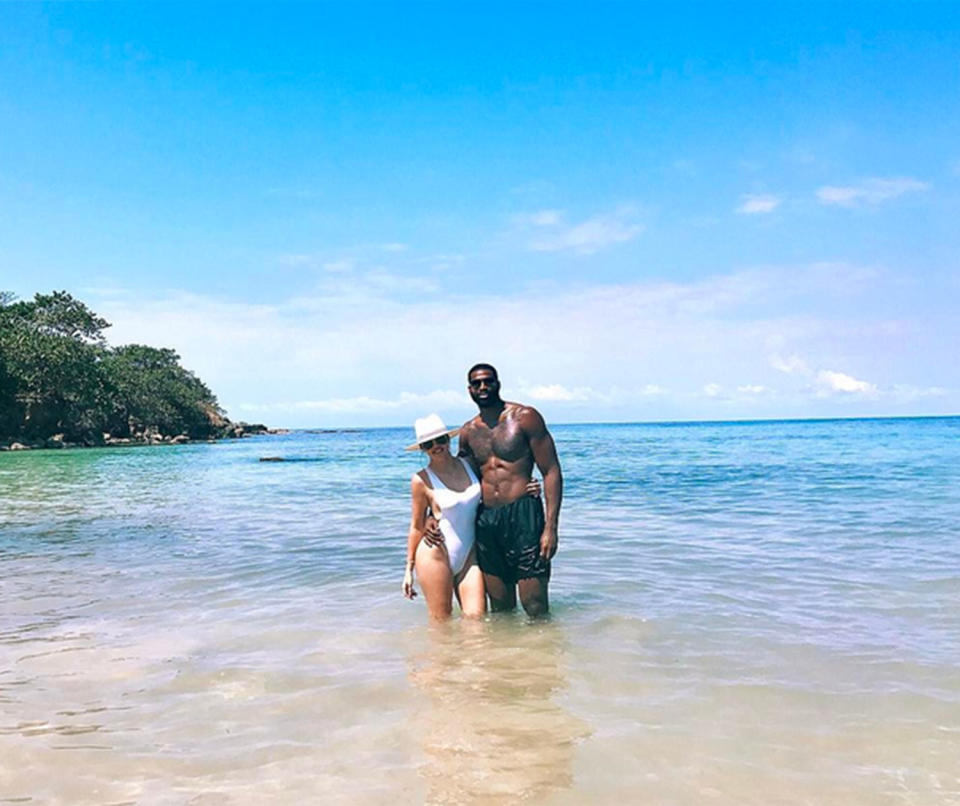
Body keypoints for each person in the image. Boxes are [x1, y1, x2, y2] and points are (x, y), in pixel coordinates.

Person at [403, 413, 541, 620]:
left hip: (469, 555)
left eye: (440, 439)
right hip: (435, 553)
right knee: (441, 622)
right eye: (428, 444)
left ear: (449, 440)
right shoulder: (420, 480)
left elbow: (498, 482)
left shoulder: (469, 464)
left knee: (477, 619)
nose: (436, 446)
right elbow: (416, 525)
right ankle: (437, 655)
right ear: (422, 448)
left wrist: (527, 486)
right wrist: (408, 569)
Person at [456, 363, 563, 617]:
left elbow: (551, 471)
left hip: (524, 516)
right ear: (469, 389)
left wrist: (550, 528)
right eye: (477, 383)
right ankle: (504, 657)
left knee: (535, 605)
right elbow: (458, 480)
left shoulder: (525, 417)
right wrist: (430, 516)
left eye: (488, 381)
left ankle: (544, 655)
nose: (483, 387)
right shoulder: (468, 432)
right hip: (487, 521)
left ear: (498, 383)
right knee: (501, 609)